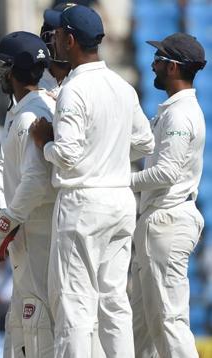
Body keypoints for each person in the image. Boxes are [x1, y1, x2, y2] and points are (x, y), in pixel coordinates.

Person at [29, 5, 155, 357]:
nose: (52, 41)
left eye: (55, 36)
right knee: (114, 300)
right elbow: (145, 142)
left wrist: (45, 143)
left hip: (84, 203)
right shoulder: (121, 86)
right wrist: (109, 149)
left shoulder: (75, 89)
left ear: (69, 40)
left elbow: (67, 154)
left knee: (74, 304)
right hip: (119, 200)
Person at [0, 31, 56, 357]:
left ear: (15, 70)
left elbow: (36, 182)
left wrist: (1, 229)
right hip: (28, 231)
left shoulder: (29, 115)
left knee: (36, 324)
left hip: (38, 233)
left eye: (3, 66)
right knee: (19, 328)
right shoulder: (23, 109)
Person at [129, 33, 207, 358]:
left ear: (173, 67)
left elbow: (165, 173)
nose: (153, 65)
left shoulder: (179, 114)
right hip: (159, 221)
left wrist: (120, 181)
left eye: (159, 59)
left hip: (168, 221)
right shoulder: (172, 110)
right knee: (142, 325)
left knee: (169, 320)